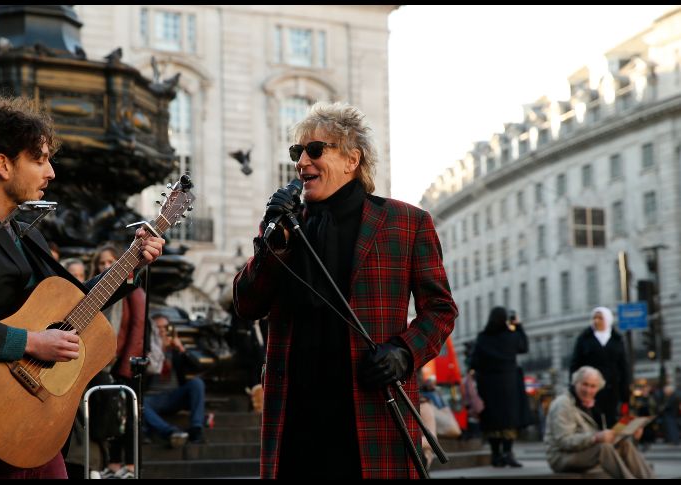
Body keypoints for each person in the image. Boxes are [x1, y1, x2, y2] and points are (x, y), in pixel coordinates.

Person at [0, 95, 165, 479]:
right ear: (3, 164)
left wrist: (131, 263)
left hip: (37, 428)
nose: (50, 172)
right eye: (39, 159)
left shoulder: (23, 232)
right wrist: (29, 343)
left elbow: (76, 306)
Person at [233, 101, 457, 479]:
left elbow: (440, 310)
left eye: (315, 150)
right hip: (295, 413)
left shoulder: (406, 222)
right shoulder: (287, 228)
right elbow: (246, 304)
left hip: (370, 408)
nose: (302, 162)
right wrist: (272, 243)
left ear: (352, 160)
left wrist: (404, 352)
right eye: (297, 152)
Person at [91, 244, 147, 480]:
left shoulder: (130, 290)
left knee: (129, 417)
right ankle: (114, 464)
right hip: (106, 363)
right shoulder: (99, 288)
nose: (106, 266)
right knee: (113, 416)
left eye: (110, 261)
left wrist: (125, 364)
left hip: (124, 363)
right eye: (102, 263)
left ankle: (131, 466)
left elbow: (137, 326)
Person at [545, 366, 655, 478]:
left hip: (585, 452)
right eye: (584, 384)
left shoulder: (593, 405)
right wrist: (595, 437)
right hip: (562, 457)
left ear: (598, 388)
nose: (588, 390)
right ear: (575, 383)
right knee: (603, 448)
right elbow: (564, 441)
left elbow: (609, 438)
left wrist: (632, 435)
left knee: (624, 444)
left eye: (593, 386)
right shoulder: (563, 404)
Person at [469, 307, 532, 468]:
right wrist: (518, 326)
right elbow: (524, 346)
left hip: (488, 385)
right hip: (508, 384)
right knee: (509, 420)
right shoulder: (511, 336)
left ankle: (496, 455)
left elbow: (474, 362)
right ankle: (508, 452)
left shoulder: (482, 338)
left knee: (492, 421)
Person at [141, 311, 207, 447]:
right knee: (139, 402)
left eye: (165, 327)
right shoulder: (147, 349)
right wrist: (159, 349)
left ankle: (196, 429)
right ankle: (170, 432)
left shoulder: (176, 350)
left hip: (174, 395)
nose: (162, 331)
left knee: (197, 383)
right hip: (152, 398)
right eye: (158, 328)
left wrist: (181, 349)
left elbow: (198, 367)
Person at [569, 306, 629, 428]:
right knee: (592, 421)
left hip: (612, 388)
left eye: (600, 318)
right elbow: (575, 364)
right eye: (594, 318)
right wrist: (574, 388)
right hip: (590, 388)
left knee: (612, 420)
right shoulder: (584, 339)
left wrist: (625, 393)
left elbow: (623, 367)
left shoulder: (617, 340)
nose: (596, 321)